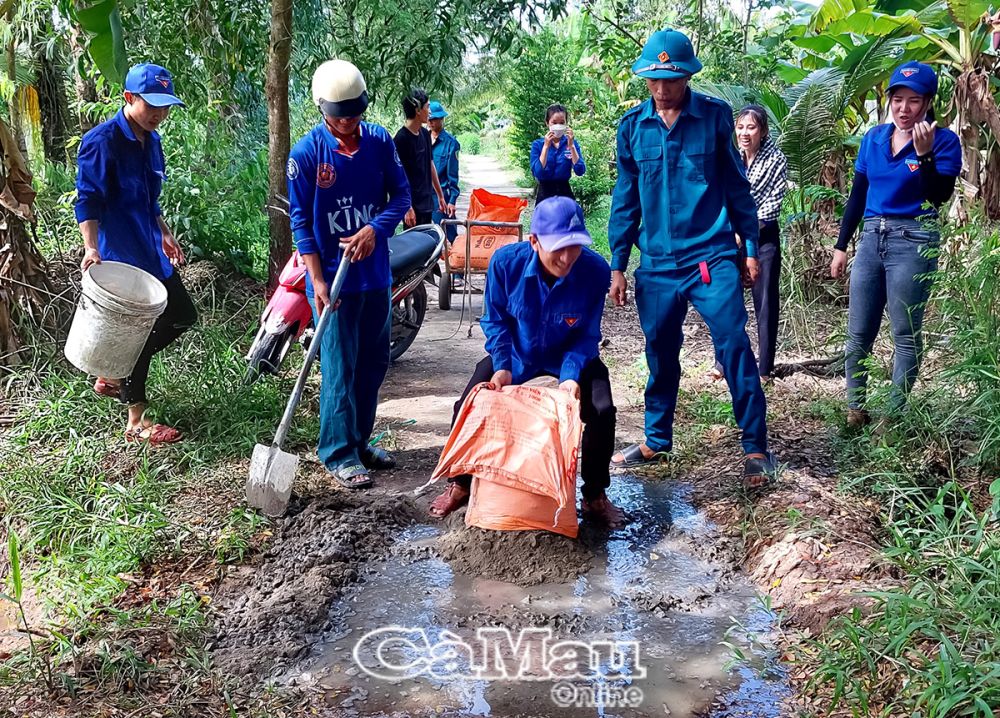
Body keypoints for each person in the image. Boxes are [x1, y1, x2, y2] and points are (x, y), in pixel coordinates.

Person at [606, 28, 777, 488]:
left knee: (733, 343)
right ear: (645, 79)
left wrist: (748, 243)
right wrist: (618, 264)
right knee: (660, 350)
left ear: (688, 77)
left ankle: (755, 445)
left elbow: (737, 186)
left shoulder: (715, 118)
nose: (663, 89)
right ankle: (656, 440)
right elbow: (626, 200)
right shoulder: (632, 128)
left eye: (672, 79)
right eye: (655, 80)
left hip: (711, 254)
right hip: (657, 263)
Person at [428, 196, 624, 527]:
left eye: (574, 246)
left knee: (602, 410)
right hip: (518, 353)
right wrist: (502, 364)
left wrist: (571, 376)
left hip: (569, 354)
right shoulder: (506, 263)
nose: (567, 257)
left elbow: (587, 332)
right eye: (557, 247)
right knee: (468, 403)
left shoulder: (595, 270)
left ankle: (594, 495)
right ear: (534, 241)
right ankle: (459, 484)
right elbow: (495, 320)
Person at [286, 59, 410, 488]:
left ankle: (359, 442)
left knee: (374, 360)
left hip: (374, 275)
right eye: (341, 116)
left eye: (356, 113)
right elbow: (300, 221)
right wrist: (317, 280)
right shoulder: (306, 155)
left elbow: (402, 195)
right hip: (331, 282)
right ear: (323, 110)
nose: (350, 122)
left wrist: (376, 229)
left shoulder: (378, 142)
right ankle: (337, 452)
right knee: (339, 364)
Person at [830, 61, 961, 429]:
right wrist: (842, 246)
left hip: (914, 239)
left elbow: (938, 196)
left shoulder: (944, 142)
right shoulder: (873, 139)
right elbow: (858, 194)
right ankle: (856, 409)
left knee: (904, 333)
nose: (904, 109)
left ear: (929, 102)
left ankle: (894, 416)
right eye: (898, 99)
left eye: (914, 101)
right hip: (871, 239)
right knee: (858, 332)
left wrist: (925, 155)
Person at [75, 63, 194, 445]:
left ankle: (114, 369)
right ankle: (136, 420)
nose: (160, 113)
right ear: (129, 98)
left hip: (149, 248)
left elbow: (149, 199)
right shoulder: (102, 141)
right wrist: (91, 248)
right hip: (121, 256)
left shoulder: (152, 141)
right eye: (152, 105)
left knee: (180, 316)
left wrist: (165, 233)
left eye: (165, 106)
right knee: (139, 331)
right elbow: (88, 201)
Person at [712, 105, 788, 383]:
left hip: (763, 236)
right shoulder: (730, 157)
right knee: (724, 298)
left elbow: (770, 206)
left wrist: (744, 233)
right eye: (741, 127)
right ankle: (721, 361)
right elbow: (720, 195)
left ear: (763, 131)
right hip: (727, 236)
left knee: (765, 300)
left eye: (751, 127)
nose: (745, 133)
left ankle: (765, 367)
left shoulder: (776, 159)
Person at [394, 88, 446, 228]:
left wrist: (440, 196)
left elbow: (430, 164)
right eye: (427, 106)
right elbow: (398, 177)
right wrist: (407, 207)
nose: (429, 112)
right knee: (414, 246)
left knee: (427, 244)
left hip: (427, 202)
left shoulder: (424, 134)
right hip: (412, 208)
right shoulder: (401, 139)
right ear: (417, 110)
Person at [428, 100, 463, 286]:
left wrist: (451, 200)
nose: (432, 123)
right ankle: (427, 273)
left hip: (442, 195)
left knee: (450, 233)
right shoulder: (422, 139)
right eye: (430, 119)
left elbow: (453, 175)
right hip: (424, 196)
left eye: (435, 119)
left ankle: (457, 271)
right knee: (427, 235)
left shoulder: (451, 144)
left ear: (442, 120)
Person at [530, 104, 586, 202]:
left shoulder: (571, 143)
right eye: (554, 122)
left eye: (562, 122)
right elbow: (538, 173)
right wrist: (546, 147)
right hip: (545, 195)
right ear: (547, 123)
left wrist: (572, 146)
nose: (558, 126)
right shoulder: (537, 145)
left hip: (565, 193)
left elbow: (580, 170)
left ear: (566, 124)